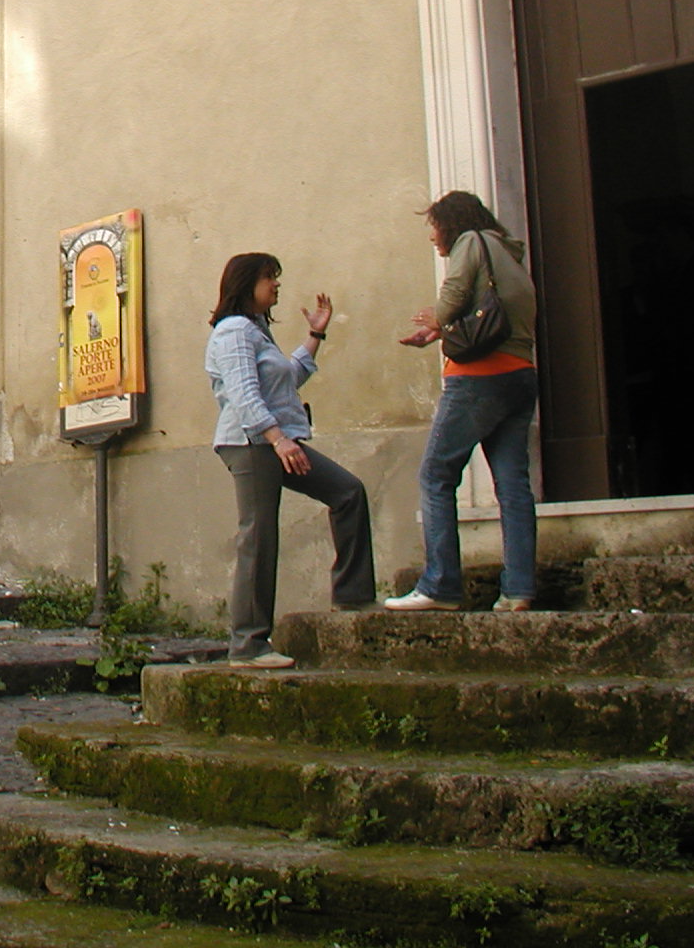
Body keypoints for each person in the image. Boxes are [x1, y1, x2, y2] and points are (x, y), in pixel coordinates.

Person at [204, 252, 376, 668]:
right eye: (269, 278)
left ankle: (354, 598)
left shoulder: (256, 330)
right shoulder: (233, 332)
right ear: (247, 285)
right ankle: (247, 645)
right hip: (251, 444)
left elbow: (283, 382)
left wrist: (315, 335)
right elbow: (245, 396)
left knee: (348, 493)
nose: (276, 285)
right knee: (259, 537)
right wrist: (278, 439)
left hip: (273, 441)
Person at [387, 190, 540, 613]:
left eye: (434, 226)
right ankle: (519, 589)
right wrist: (440, 331)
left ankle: (440, 585)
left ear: (452, 222)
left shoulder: (470, 241)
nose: (433, 237)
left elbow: (454, 295)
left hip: (478, 379)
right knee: (512, 487)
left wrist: (438, 318)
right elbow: (497, 312)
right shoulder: (509, 252)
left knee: (436, 475)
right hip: (520, 375)